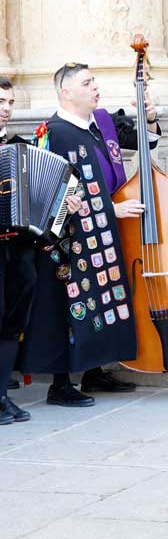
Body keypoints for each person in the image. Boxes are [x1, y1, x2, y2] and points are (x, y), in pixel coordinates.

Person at [17, 63, 160, 407]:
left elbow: (144, 140)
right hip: (66, 243)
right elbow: (54, 194)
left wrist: (151, 118)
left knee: (103, 298)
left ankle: (95, 369)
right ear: (66, 92)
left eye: (94, 80)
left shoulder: (99, 125)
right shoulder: (54, 133)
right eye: (87, 82)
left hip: (101, 236)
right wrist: (111, 209)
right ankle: (61, 384)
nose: (96, 87)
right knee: (66, 307)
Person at [0, 78, 81, 424]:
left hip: (18, 254)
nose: (6, 109)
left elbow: (45, 203)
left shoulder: (17, 150)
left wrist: (66, 203)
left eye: (9, 102)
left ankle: (2, 396)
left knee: (10, 325)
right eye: (0, 101)